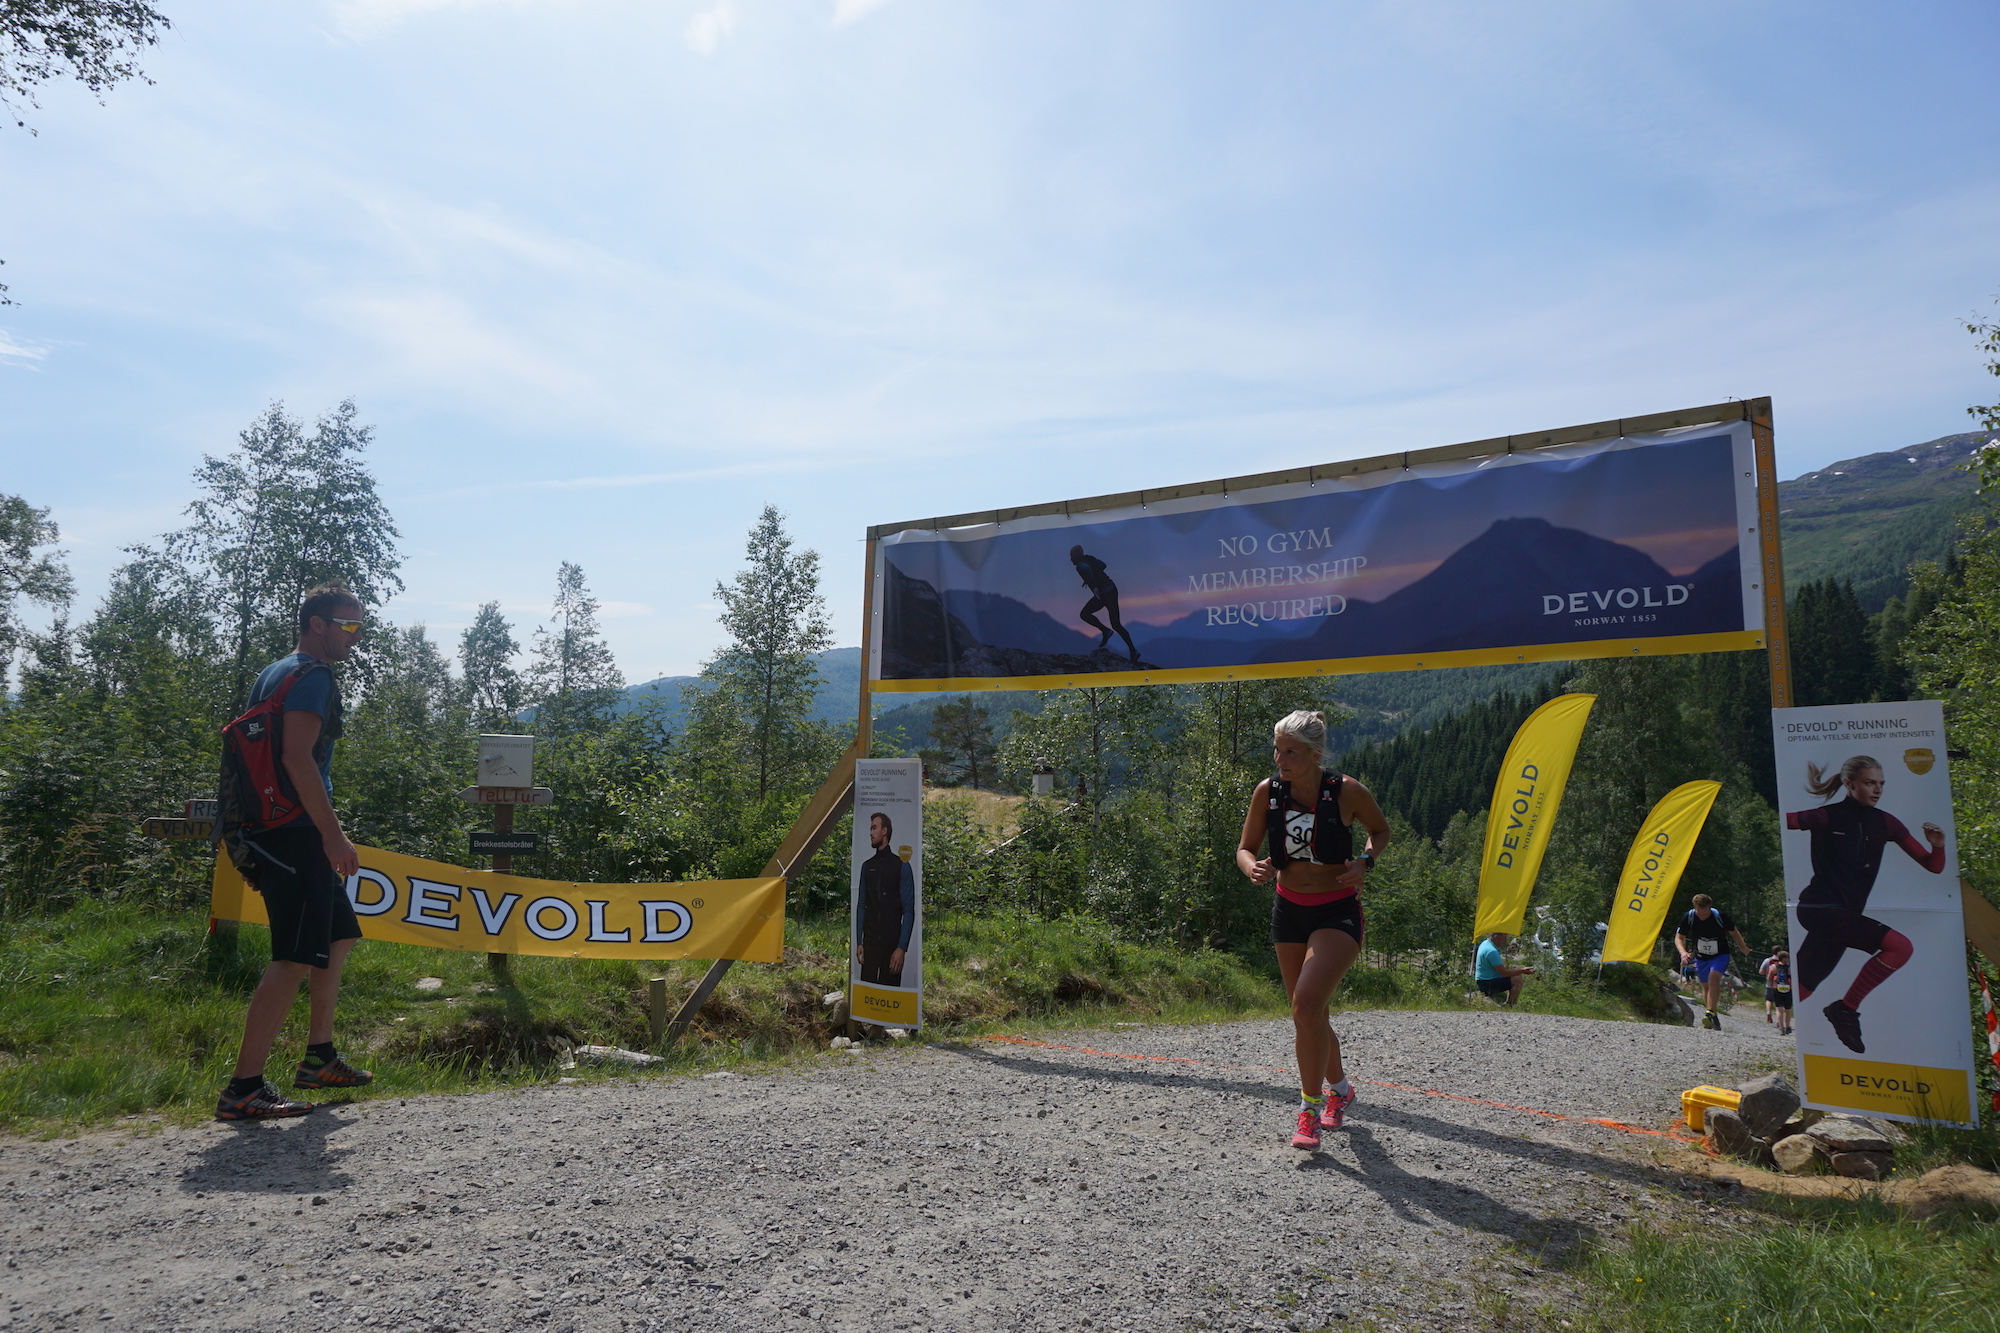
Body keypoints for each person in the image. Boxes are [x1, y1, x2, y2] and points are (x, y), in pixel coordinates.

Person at [216, 582, 375, 1121]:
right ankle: (243, 1088)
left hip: (276, 826)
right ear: (317, 625)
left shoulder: (277, 671)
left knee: (337, 933)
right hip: (295, 830)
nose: (356, 636)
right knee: (292, 957)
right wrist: (333, 835)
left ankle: (319, 1059)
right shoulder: (315, 677)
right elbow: (296, 758)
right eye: (347, 626)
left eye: (359, 626)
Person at [1237, 709, 1390, 1151]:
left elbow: (1380, 831)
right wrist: (1252, 868)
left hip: (1337, 912)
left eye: (1291, 752)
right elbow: (1245, 848)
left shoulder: (1346, 791)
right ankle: (1340, 1091)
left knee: (1305, 1005)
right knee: (1309, 1015)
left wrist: (1365, 861)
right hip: (1288, 910)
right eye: (1277, 750)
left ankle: (1309, 1110)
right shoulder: (1267, 792)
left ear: (1315, 755)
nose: (1280, 760)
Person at [1785, 754, 1946, 1053]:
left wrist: (1938, 845)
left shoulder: (1886, 823)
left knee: (1803, 986)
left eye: (1881, 784)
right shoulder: (1825, 816)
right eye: (1870, 783)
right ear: (1849, 784)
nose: (1878, 789)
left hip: (1844, 917)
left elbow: (1933, 866)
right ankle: (1845, 1009)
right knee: (1900, 947)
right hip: (1820, 909)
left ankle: (1765, 1022)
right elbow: (1782, 821)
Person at [854, 811, 916, 986]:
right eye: (870, 828)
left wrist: (901, 948)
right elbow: (861, 905)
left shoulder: (902, 865)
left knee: (890, 994)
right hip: (870, 944)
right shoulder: (867, 867)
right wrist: (859, 942)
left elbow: (908, 910)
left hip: (892, 946)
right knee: (868, 991)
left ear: (884, 831)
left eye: (874, 828)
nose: (871, 833)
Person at [1674, 894, 1751, 1030]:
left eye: (1705, 913)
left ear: (1710, 907)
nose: (1702, 916)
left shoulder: (1720, 916)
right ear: (1695, 908)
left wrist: (1743, 948)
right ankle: (1713, 1017)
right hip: (1701, 957)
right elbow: (1679, 937)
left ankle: (1709, 1012)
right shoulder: (1689, 917)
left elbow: (1734, 932)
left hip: (1720, 955)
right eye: (1699, 913)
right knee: (1706, 987)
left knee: (1714, 978)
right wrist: (1683, 953)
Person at [1068, 545, 1140, 662]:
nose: (1070, 559)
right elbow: (1103, 565)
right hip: (1112, 589)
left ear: (1077, 555)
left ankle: (1105, 631)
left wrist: (1093, 585)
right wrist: (1093, 576)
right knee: (1116, 624)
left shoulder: (1080, 565)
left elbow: (1086, 568)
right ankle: (1133, 651)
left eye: (1071, 556)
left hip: (1103, 594)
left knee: (1084, 614)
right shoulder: (1090, 558)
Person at [1474, 932, 1535, 1005]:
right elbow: (1504, 973)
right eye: (1504, 938)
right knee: (1517, 979)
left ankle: (1508, 1002)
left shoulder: (1486, 943)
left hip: (1482, 980)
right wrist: (1523, 971)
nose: (1505, 941)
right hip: (1486, 984)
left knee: (1515, 974)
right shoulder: (1491, 951)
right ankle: (1511, 1004)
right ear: (1496, 937)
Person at [1765, 947, 1795, 1036]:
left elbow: (1769, 979)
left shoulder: (1773, 967)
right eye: (1788, 957)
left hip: (1777, 989)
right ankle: (1788, 1026)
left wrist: (1772, 985)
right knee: (1788, 1010)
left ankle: (1781, 1028)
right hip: (1788, 990)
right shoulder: (1790, 968)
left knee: (1779, 1009)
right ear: (1784, 958)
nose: (1789, 959)